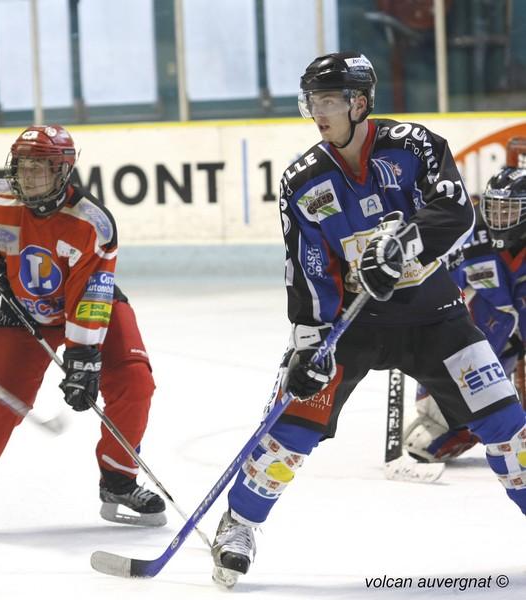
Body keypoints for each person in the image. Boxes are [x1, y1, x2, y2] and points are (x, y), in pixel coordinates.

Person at [210, 52, 526, 588]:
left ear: (360, 102)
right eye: (312, 101)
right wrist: (309, 341)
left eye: (328, 100)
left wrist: (400, 246)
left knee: (506, 425)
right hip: (352, 325)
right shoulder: (302, 180)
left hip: (437, 317)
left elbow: (454, 211)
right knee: (293, 425)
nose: (318, 112)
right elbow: (307, 267)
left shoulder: (414, 144)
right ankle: (238, 522)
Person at [0, 124, 165, 532]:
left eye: (41, 167)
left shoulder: (92, 222)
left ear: (64, 171)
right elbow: (0, 240)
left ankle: (119, 479)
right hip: (24, 312)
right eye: (24, 166)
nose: (29, 176)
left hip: (88, 305)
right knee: (0, 401)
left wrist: (83, 358)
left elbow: (91, 294)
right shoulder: (0, 199)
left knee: (134, 381)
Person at [405, 142, 526, 462]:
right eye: (495, 209)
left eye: (509, 210)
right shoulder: (474, 240)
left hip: (513, 343)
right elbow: (435, 281)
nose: (499, 218)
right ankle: (463, 423)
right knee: (423, 441)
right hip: (484, 343)